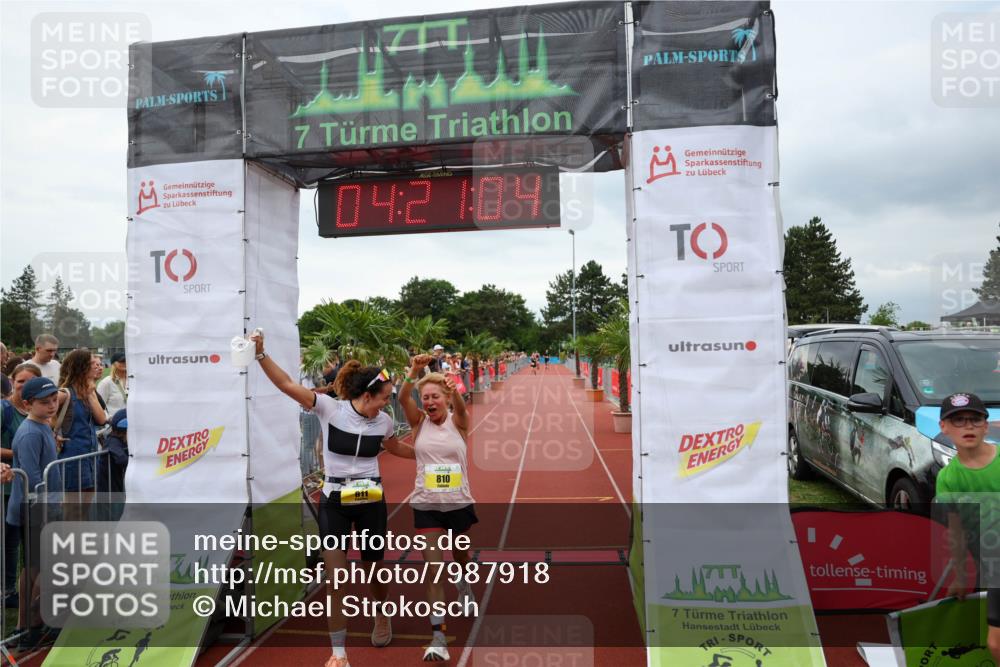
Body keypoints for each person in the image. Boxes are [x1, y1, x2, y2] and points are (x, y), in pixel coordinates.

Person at [250, 331, 415, 667]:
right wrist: (261, 354)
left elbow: (394, 447)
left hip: (370, 503)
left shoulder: (383, 422)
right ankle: (338, 653)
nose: (388, 403)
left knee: (374, 571)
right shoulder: (329, 409)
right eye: (385, 397)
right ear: (368, 395)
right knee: (336, 578)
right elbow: (285, 384)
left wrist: (428, 454)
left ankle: (382, 614)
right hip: (335, 502)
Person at [399, 354, 477, 662]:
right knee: (433, 569)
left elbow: (461, 407)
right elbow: (404, 396)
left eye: (434, 397)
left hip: (458, 502)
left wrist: (454, 390)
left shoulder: (459, 422)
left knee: (460, 555)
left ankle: (465, 588)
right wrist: (415, 371)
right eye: (425, 397)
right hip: (427, 504)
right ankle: (438, 636)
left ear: (444, 399)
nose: (429, 401)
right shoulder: (418, 422)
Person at [934, 393, 998, 661]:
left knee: (996, 642)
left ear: (986, 426)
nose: (968, 426)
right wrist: (961, 577)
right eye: (958, 420)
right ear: (944, 427)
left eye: (974, 420)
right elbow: (956, 532)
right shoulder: (948, 478)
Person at [6, 376, 62, 652]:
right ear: (28, 404)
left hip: (44, 507)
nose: (52, 405)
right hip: (36, 509)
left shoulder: (42, 425)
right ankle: (32, 624)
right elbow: (33, 478)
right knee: (40, 568)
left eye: (53, 399)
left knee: (37, 567)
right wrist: (49, 510)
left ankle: (28, 624)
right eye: (44, 402)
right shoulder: (29, 433)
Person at [2, 363, 42, 607]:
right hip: (7, 486)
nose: (24, 386)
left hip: (28, 489)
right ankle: (7, 591)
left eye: (30, 382)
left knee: (28, 543)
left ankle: (23, 590)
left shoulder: (38, 412)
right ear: (12, 381)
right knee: (9, 541)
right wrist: (16, 454)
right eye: (20, 382)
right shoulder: (5, 410)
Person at [54, 349, 108, 519]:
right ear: (81, 367)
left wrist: (90, 390)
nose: (98, 367)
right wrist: (52, 434)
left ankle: (79, 543)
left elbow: (101, 419)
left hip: (90, 457)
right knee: (72, 511)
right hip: (72, 458)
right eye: (93, 363)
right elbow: (40, 413)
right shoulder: (64, 394)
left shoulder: (88, 392)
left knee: (84, 510)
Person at [97, 352, 128, 417]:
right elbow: (99, 407)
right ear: (113, 363)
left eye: (126, 360)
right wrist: (109, 419)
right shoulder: (106, 382)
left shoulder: (133, 381)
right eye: (121, 361)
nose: (124, 362)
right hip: (114, 424)